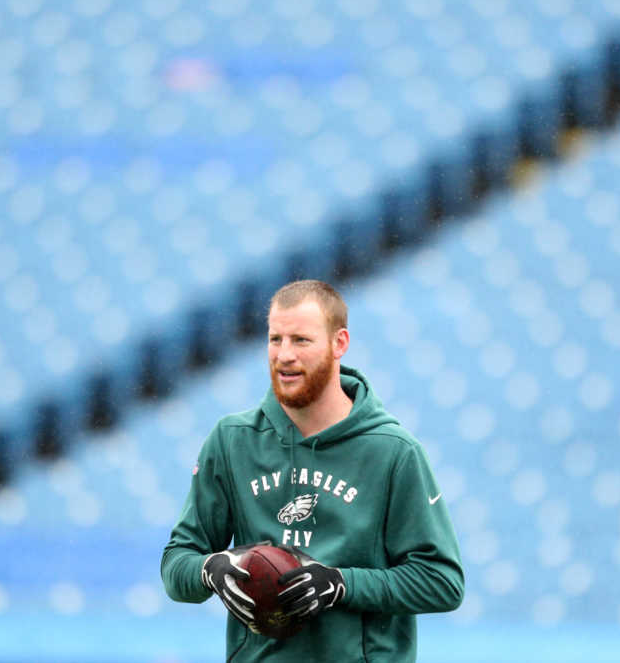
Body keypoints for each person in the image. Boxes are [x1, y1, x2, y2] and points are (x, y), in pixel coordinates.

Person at [161, 279, 464, 662]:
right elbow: (177, 563)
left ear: (340, 343)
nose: (284, 355)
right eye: (275, 339)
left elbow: (442, 582)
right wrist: (210, 568)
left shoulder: (393, 452)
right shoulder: (231, 440)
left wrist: (341, 583)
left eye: (301, 340)